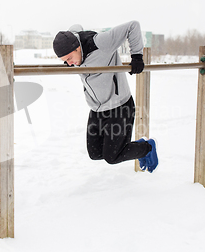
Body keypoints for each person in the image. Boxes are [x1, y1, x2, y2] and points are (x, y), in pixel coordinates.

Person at [52, 21, 158, 172]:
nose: (70, 64)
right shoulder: (72, 42)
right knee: (94, 153)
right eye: (65, 61)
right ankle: (135, 146)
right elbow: (76, 28)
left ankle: (146, 147)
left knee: (112, 156)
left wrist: (136, 57)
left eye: (69, 58)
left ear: (77, 48)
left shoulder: (102, 43)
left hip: (119, 106)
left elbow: (132, 26)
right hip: (96, 109)